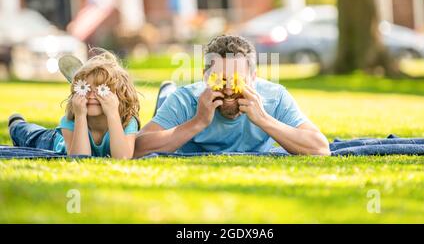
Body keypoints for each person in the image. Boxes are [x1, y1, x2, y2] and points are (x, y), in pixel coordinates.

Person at [134, 35, 330, 157]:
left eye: (238, 80)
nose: (228, 90)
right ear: (205, 76)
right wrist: (198, 122)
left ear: (254, 78)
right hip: (177, 105)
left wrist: (264, 119)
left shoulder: (274, 97)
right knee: (168, 100)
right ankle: (166, 91)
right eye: (220, 80)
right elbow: (137, 148)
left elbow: (320, 149)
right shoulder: (185, 99)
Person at [8, 49, 140, 159]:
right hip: (53, 142)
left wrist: (112, 113)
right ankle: (17, 124)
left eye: (102, 89)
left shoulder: (126, 121)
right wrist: (80, 115)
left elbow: (122, 158)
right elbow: (79, 157)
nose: (92, 95)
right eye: (85, 88)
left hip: (115, 115)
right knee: (31, 135)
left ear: (119, 95)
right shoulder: (71, 119)